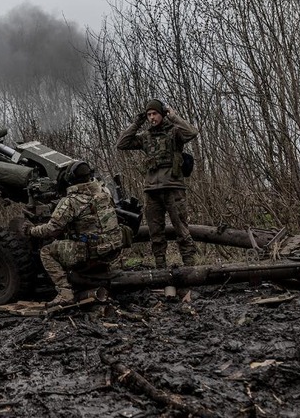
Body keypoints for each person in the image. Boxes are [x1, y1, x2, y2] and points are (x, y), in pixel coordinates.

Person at [24, 162, 130, 307]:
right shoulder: (105, 191)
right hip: (113, 248)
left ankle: (65, 293)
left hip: (91, 252)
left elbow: (51, 230)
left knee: (46, 251)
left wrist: (31, 230)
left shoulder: (71, 201)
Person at [116, 99, 199, 268]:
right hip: (152, 189)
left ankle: (190, 267)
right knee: (155, 231)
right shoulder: (146, 137)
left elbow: (192, 132)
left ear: (162, 114)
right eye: (149, 115)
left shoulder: (175, 132)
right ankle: (161, 266)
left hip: (173, 187)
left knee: (181, 229)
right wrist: (137, 122)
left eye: (155, 114)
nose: (152, 117)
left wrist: (173, 116)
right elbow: (122, 143)